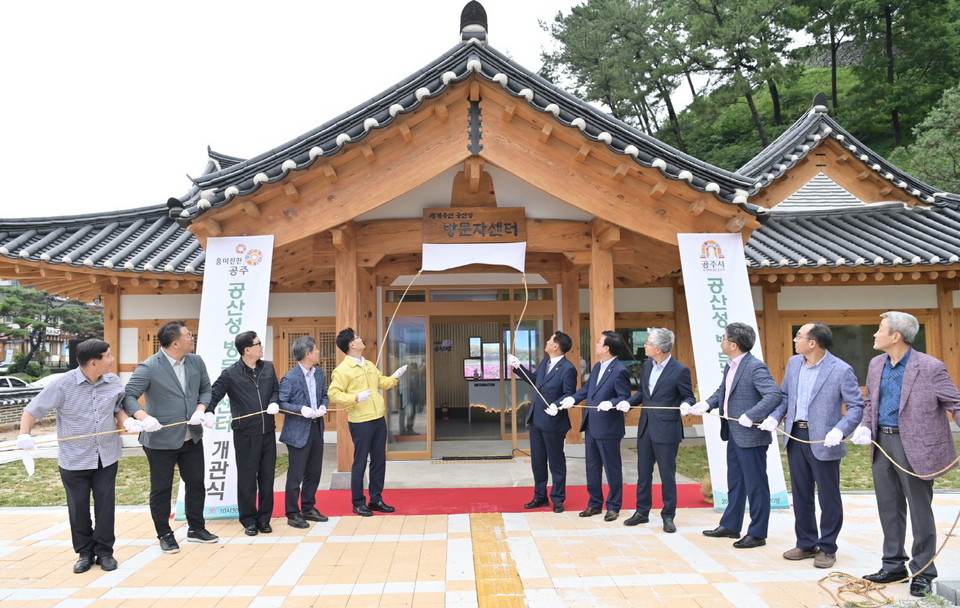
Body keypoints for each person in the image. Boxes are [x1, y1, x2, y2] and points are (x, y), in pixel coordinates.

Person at [17, 339, 152, 574]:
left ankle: (105, 552)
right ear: (93, 362)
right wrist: (24, 435)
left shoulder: (112, 381)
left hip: (106, 456)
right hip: (74, 458)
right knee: (78, 507)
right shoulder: (62, 385)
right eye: (108, 356)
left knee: (105, 506)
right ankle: (85, 552)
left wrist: (127, 421)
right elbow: (32, 410)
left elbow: (117, 407)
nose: (112, 359)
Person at [850, 311, 960, 597]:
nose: (875, 334)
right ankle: (893, 565)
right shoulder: (876, 364)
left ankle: (923, 572)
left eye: (879, 329)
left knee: (920, 510)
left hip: (916, 447)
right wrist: (865, 426)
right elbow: (871, 401)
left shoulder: (931, 367)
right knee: (888, 506)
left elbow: (956, 404)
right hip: (882, 444)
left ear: (896, 336)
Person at [759, 322, 864, 569]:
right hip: (796, 436)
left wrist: (840, 430)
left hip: (824, 440)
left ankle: (827, 547)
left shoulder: (841, 369)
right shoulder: (795, 363)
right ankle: (806, 543)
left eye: (799, 336)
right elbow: (785, 397)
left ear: (813, 343)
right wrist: (775, 417)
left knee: (828, 497)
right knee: (801, 494)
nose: (795, 340)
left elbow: (857, 406)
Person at [122, 320, 218, 554]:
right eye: (188, 335)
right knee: (162, 488)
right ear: (175, 342)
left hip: (191, 436)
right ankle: (165, 534)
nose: (192, 338)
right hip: (160, 439)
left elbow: (207, 389)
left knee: (196, 483)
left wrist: (201, 410)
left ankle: (196, 527)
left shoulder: (196, 361)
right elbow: (128, 397)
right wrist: (143, 417)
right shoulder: (149, 367)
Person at [686, 322, 781, 549]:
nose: (722, 341)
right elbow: (724, 392)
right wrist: (707, 404)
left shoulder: (754, 367)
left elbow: (773, 395)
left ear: (734, 344)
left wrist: (753, 414)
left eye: (724, 338)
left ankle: (757, 533)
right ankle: (730, 525)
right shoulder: (731, 365)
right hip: (734, 433)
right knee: (735, 482)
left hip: (750, 435)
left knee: (756, 485)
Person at [616, 328, 694, 533]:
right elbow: (643, 393)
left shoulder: (679, 370)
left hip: (667, 429)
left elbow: (689, 396)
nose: (645, 346)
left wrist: (686, 405)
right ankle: (642, 512)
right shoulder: (647, 366)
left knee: (667, 474)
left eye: (649, 343)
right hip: (646, 428)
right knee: (643, 473)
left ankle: (668, 515)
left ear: (659, 348)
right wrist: (628, 403)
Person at [207, 330, 280, 537]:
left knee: (267, 478)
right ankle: (248, 520)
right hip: (245, 434)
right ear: (247, 350)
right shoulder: (231, 373)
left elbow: (276, 389)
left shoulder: (268, 367)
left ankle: (264, 519)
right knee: (247, 479)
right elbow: (214, 394)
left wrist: (274, 401)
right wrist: (208, 412)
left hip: (268, 431)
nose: (261, 347)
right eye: (258, 344)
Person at [328, 328, 406, 517]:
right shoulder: (342, 370)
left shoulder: (369, 364)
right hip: (360, 422)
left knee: (379, 460)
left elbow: (381, 383)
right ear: (351, 345)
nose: (361, 339)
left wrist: (395, 377)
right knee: (360, 462)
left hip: (378, 418)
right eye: (357, 338)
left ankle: (376, 498)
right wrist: (355, 397)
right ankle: (358, 502)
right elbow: (333, 393)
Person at [560, 330, 632, 522]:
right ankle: (594, 503)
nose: (596, 344)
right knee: (592, 466)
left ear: (607, 348)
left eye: (599, 342)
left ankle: (614, 506)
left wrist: (612, 402)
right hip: (591, 424)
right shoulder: (598, 366)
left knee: (611, 467)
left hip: (608, 427)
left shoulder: (619, 370)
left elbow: (624, 397)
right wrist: (571, 398)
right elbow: (586, 389)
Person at [507, 331, 578, 513]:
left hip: (553, 420)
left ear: (556, 346)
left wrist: (556, 405)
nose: (546, 342)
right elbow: (535, 382)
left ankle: (558, 498)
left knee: (556, 461)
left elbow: (569, 393)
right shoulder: (545, 362)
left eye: (549, 340)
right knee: (537, 462)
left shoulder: (568, 368)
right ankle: (540, 496)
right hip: (536, 418)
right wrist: (518, 367)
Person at [279, 335, 329, 528]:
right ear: (308, 353)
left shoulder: (319, 373)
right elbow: (282, 403)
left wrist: (323, 406)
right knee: (296, 473)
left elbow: (324, 395)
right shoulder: (290, 377)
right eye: (316, 350)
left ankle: (308, 507)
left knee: (314, 471)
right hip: (298, 431)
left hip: (316, 426)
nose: (318, 352)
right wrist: (301, 410)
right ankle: (292, 513)